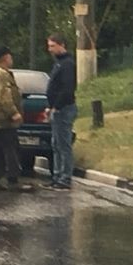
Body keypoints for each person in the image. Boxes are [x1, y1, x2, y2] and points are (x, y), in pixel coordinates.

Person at [0, 45, 33, 192]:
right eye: (10, 57)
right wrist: (13, 113)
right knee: (10, 148)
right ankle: (12, 179)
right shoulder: (1, 74)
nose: (11, 59)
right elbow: (3, 96)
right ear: (6, 57)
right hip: (1, 119)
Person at [44, 33, 77, 191]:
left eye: (52, 46)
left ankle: (65, 178)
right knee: (56, 144)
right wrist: (50, 106)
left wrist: (56, 106)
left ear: (61, 45)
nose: (50, 49)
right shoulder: (59, 63)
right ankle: (57, 176)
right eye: (49, 46)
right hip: (56, 109)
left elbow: (67, 88)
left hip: (64, 109)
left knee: (63, 144)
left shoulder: (67, 64)